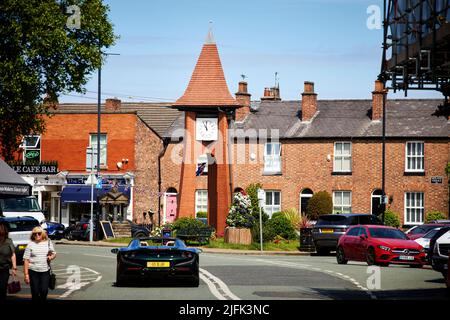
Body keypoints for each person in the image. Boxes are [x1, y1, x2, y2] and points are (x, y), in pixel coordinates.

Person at [23, 226, 56, 301]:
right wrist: (26, 275)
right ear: (33, 235)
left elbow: (54, 253)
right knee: (35, 292)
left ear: (43, 234)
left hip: (45, 271)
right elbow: (26, 260)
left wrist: (51, 257)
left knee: (44, 291)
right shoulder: (30, 244)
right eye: (35, 234)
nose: (37, 235)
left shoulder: (48, 242)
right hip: (33, 271)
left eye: (39, 233)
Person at [0, 222, 17, 301]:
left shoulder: (8, 241)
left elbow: (13, 254)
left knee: (3, 287)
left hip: (4, 268)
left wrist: (14, 267)